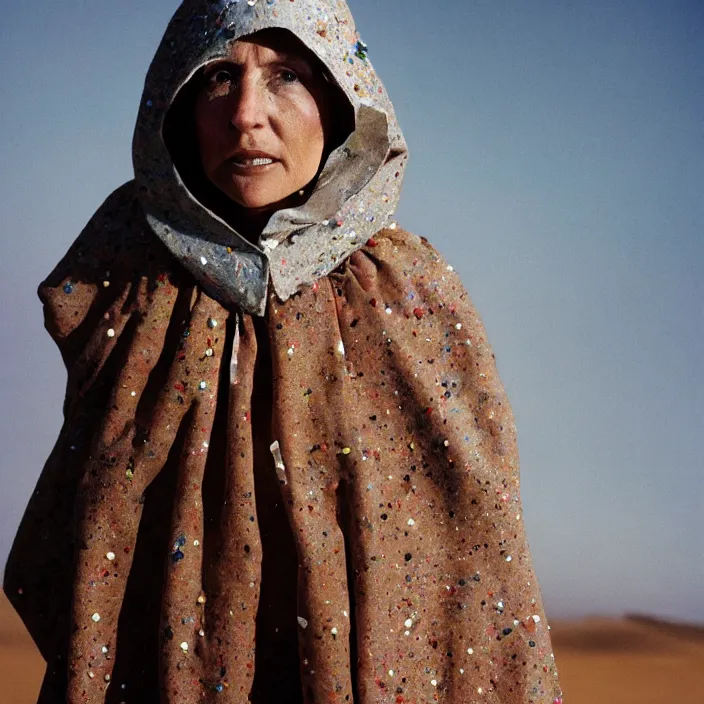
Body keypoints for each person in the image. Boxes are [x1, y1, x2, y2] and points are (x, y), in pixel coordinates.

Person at [4, 1, 563, 703]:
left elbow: (478, 578)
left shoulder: (409, 294)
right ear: (175, 104)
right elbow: (77, 556)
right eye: (216, 78)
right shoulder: (127, 290)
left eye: (286, 75)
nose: (245, 115)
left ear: (339, 100)